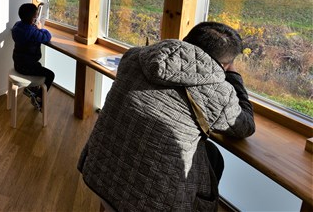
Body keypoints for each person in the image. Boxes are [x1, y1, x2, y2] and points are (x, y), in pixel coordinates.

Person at [77, 22, 255, 211]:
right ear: (225, 65)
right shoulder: (218, 93)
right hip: (152, 204)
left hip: (98, 172)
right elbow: (245, 126)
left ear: (185, 40)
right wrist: (234, 77)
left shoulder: (134, 56)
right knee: (212, 156)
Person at [11, 3, 54, 112]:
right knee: (50, 75)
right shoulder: (33, 32)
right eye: (36, 16)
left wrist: (35, 28)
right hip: (27, 67)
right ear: (33, 19)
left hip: (17, 64)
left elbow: (27, 32)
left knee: (38, 66)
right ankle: (38, 99)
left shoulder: (17, 26)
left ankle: (30, 89)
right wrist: (40, 29)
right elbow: (47, 37)